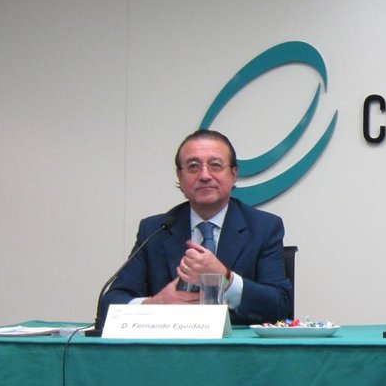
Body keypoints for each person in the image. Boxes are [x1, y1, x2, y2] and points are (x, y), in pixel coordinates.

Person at [99, 129, 293, 328]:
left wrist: (226, 279)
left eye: (215, 165)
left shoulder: (263, 228)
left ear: (234, 174)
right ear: (180, 176)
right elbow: (109, 305)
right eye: (193, 166)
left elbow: (280, 306)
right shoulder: (156, 230)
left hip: (235, 345)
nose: (205, 175)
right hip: (172, 345)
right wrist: (155, 304)